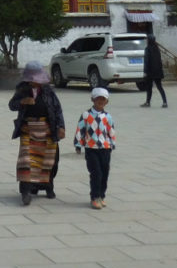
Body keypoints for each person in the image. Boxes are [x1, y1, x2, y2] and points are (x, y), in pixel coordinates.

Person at [9, 61, 65, 206]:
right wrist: (23, 101)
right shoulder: (22, 89)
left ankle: (47, 187)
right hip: (28, 128)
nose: (36, 83)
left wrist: (61, 126)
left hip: (47, 128)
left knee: (49, 160)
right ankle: (26, 191)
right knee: (26, 161)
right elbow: (12, 105)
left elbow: (57, 109)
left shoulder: (48, 90)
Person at [74, 87, 117, 209]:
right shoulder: (86, 115)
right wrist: (78, 144)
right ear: (93, 99)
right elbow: (80, 129)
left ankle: (101, 196)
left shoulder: (107, 116)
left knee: (104, 173)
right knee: (96, 173)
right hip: (91, 148)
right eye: (98, 99)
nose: (100, 101)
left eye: (103, 99)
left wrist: (112, 143)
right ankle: (94, 197)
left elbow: (111, 130)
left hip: (105, 147)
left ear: (106, 101)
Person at [142, 34, 168, 108]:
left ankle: (147, 102)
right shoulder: (157, 48)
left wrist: (145, 71)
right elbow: (159, 60)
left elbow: (146, 61)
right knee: (160, 87)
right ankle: (165, 102)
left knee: (149, 88)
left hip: (150, 71)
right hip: (157, 71)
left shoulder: (147, 49)